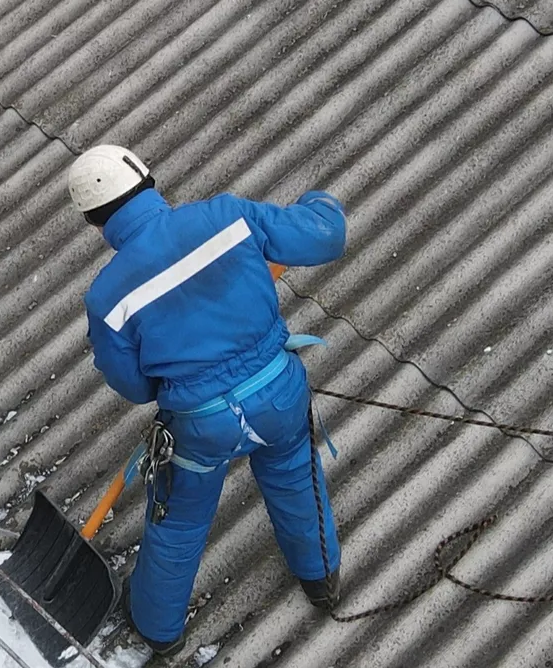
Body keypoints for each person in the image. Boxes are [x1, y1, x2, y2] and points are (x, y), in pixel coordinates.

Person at [68, 144, 347, 660]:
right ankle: (321, 580)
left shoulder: (106, 298)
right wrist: (320, 201)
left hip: (201, 425)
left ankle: (159, 630)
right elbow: (326, 236)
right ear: (147, 179)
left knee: (178, 522)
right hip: (278, 395)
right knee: (294, 479)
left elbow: (134, 386)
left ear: (94, 222)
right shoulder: (225, 216)